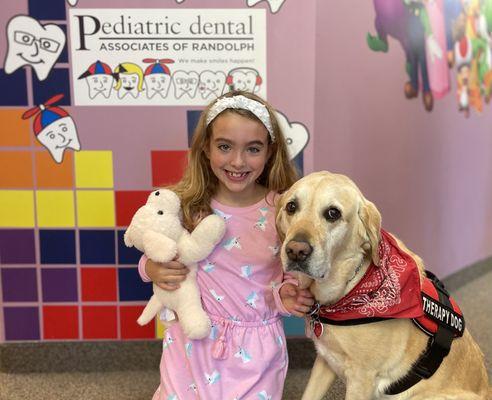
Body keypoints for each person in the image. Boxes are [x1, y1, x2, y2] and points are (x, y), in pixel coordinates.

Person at [137, 90, 313, 400]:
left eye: (253, 149)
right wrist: (151, 268)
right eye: (224, 146)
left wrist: (287, 295)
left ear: (270, 151)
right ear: (206, 147)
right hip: (192, 341)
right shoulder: (186, 204)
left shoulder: (282, 209)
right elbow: (157, 250)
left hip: (256, 350)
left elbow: (288, 275)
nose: (237, 161)